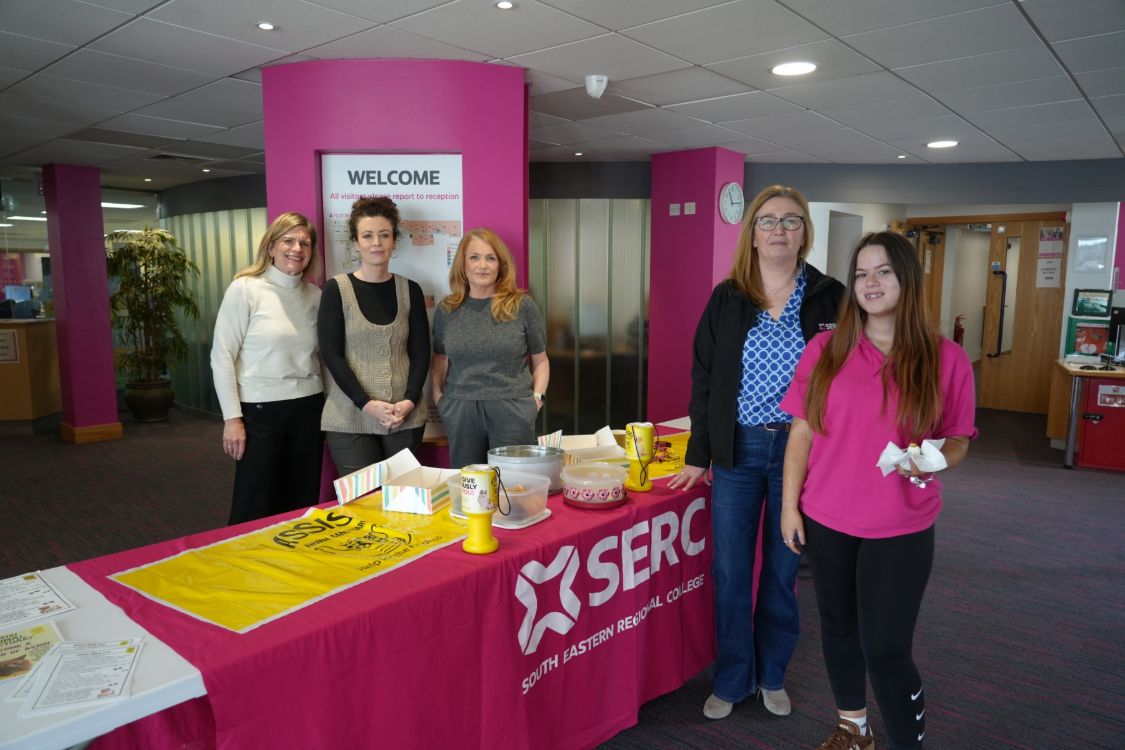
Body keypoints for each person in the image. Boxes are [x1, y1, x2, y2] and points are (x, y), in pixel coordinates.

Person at [779, 231, 978, 749]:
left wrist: (935, 459)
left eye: (883, 271)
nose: (870, 282)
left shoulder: (946, 358)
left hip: (900, 522)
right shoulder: (826, 349)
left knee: (886, 648)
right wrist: (788, 508)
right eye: (862, 273)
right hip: (826, 515)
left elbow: (958, 439)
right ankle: (853, 729)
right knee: (839, 627)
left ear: (906, 278)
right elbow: (801, 430)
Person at [667, 185, 845, 721]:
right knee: (730, 572)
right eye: (768, 221)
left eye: (791, 221)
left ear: (804, 233)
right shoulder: (728, 296)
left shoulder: (831, 296)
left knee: (783, 572)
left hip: (800, 452)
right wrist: (699, 451)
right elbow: (704, 378)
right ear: (752, 231)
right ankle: (732, 678)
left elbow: (848, 379)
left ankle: (772, 674)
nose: (779, 230)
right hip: (737, 449)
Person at [211, 212, 325, 524]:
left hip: (309, 408)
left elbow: (324, 359)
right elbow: (221, 356)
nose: (297, 248)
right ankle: (244, 567)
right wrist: (232, 418)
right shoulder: (245, 289)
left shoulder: (316, 296)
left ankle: (293, 566)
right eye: (288, 240)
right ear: (271, 246)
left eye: (305, 243)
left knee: (300, 502)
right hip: (260, 412)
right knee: (255, 501)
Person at [319, 196, 430, 475]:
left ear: (394, 240)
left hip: (403, 415)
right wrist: (366, 404)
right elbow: (332, 355)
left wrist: (409, 401)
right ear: (356, 242)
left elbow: (420, 353)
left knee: (401, 500)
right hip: (349, 416)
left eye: (384, 235)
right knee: (362, 504)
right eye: (367, 236)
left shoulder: (411, 290)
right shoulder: (336, 290)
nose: (376, 243)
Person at [431, 228, 549, 469]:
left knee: (515, 490)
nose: (482, 265)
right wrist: (438, 397)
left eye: (490, 258)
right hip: (461, 410)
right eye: (474, 257)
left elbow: (541, 360)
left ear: (501, 265)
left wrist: (536, 399)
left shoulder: (522, 305)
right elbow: (440, 357)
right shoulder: (447, 309)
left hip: (512, 408)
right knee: (469, 490)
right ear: (462, 265)